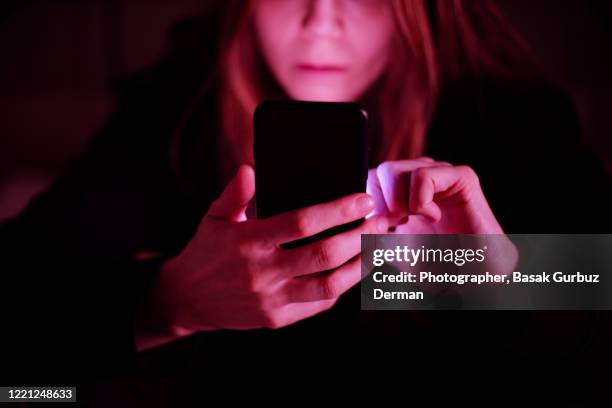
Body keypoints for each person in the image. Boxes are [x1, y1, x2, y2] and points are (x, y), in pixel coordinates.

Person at [1, 0, 610, 388]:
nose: (321, 20)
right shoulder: (177, 105)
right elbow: (24, 291)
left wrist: (498, 287)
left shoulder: (509, 115)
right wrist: (169, 301)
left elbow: (596, 290)